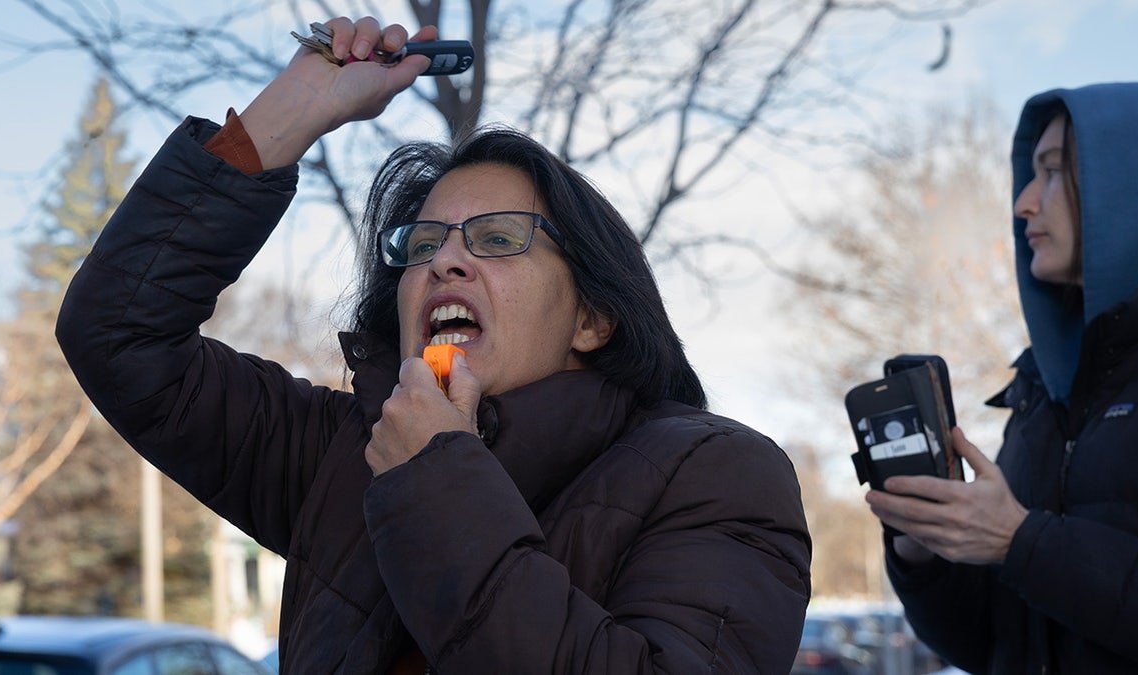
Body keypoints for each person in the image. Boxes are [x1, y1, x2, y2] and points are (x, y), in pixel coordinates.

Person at [54, 15, 811, 675]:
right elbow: (119, 335)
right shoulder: (343, 456)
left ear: (593, 319)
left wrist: (434, 477)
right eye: (422, 244)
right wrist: (294, 110)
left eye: (499, 239)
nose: (445, 260)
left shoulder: (717, 473)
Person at [864, 81, 1138, 673]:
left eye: (1053, 172)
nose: (1023, 203)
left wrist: (1022, 542)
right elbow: (991, 642)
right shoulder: (1042, 386)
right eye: (1031, 174)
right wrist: (926, 550)